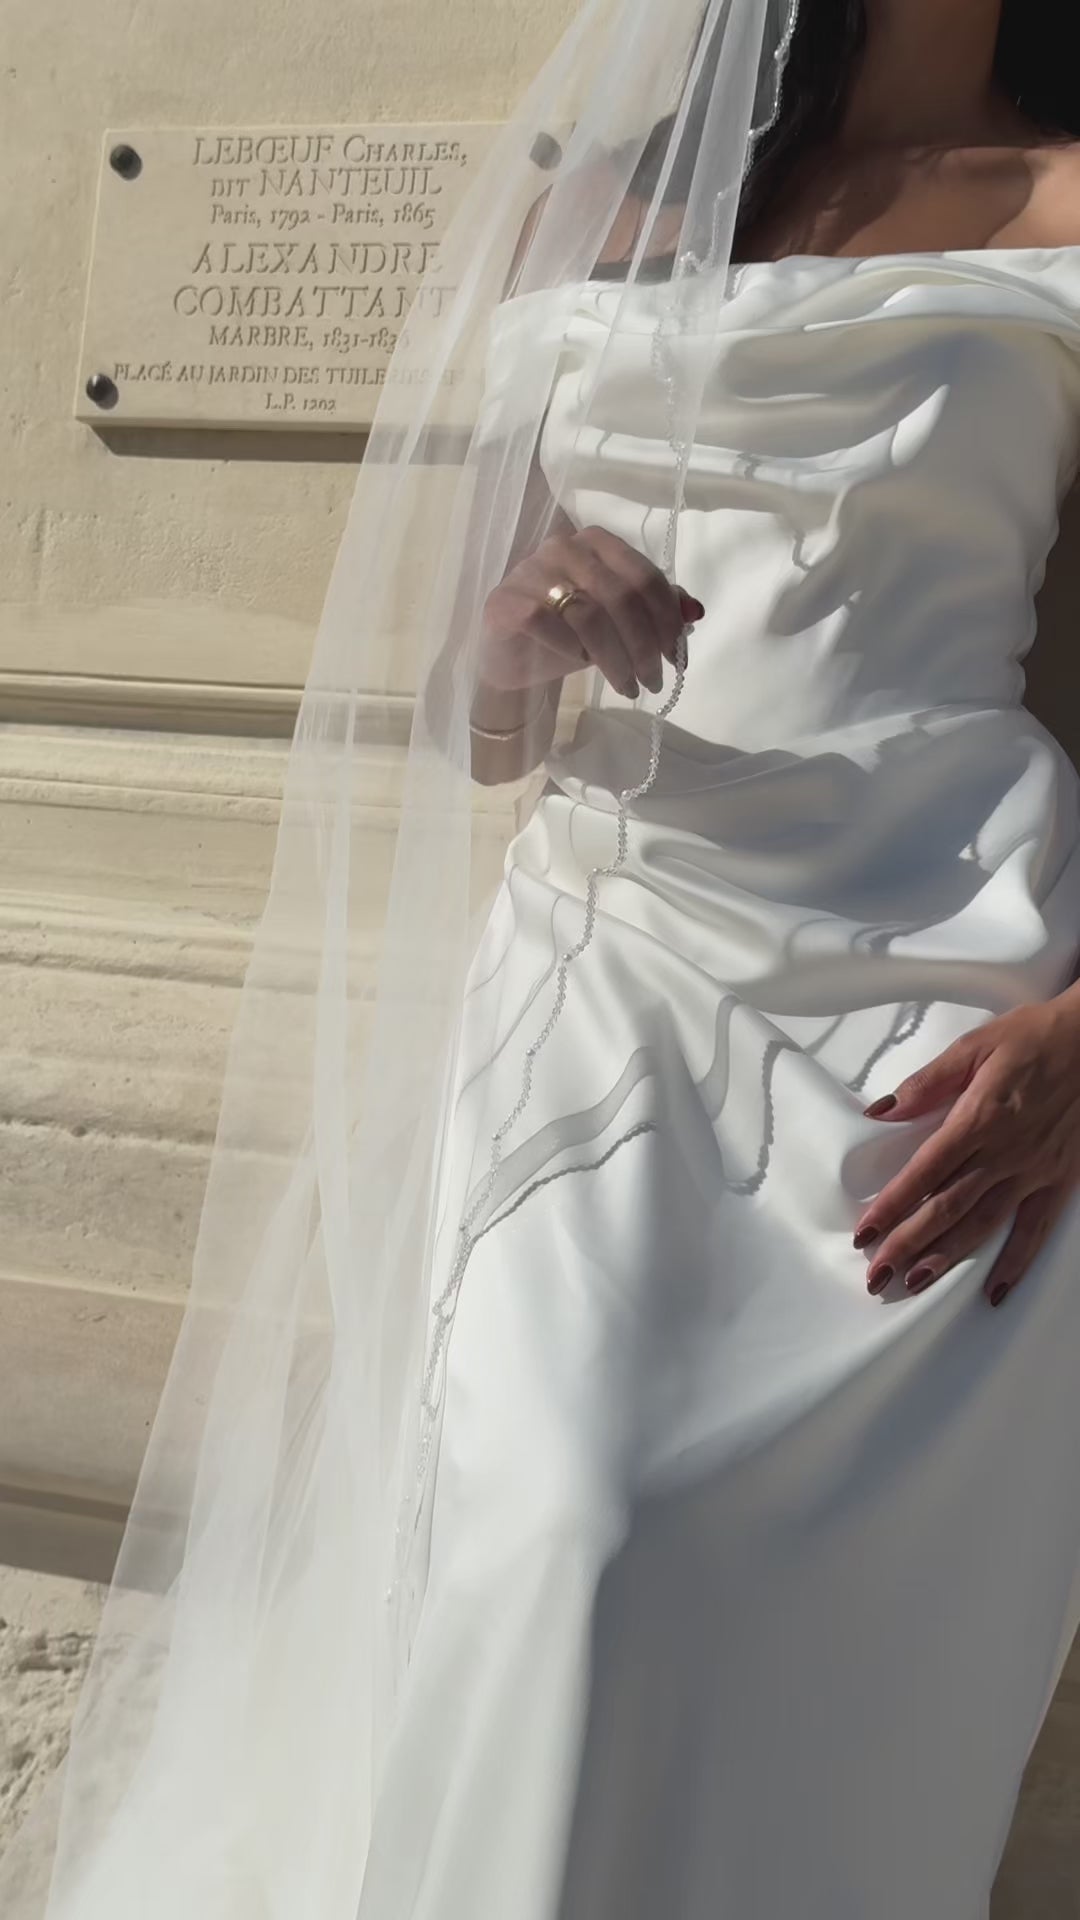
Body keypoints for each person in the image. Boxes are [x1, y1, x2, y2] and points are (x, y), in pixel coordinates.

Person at [7, 2, 1080, 1917]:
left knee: (759, 1630)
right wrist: (509, 637)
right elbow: (470, 721)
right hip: (609, 962)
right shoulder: (591, 203)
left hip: (945, 996)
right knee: (561, 1540)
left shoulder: (1070, 196)